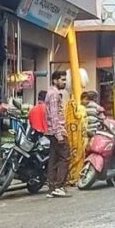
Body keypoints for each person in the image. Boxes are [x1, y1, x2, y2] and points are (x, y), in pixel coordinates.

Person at [45, 70, 70, 198]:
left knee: (53, 159)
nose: (64, 82)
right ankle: (59, 186)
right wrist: (58, 133)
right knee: (65, 158)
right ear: (55, 80)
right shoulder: (54, 95)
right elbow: (54, 115)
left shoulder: (51, 93)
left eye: (65, 80)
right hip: (58, 130)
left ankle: (52, 187)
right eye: (62, 79)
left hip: (52, 131)